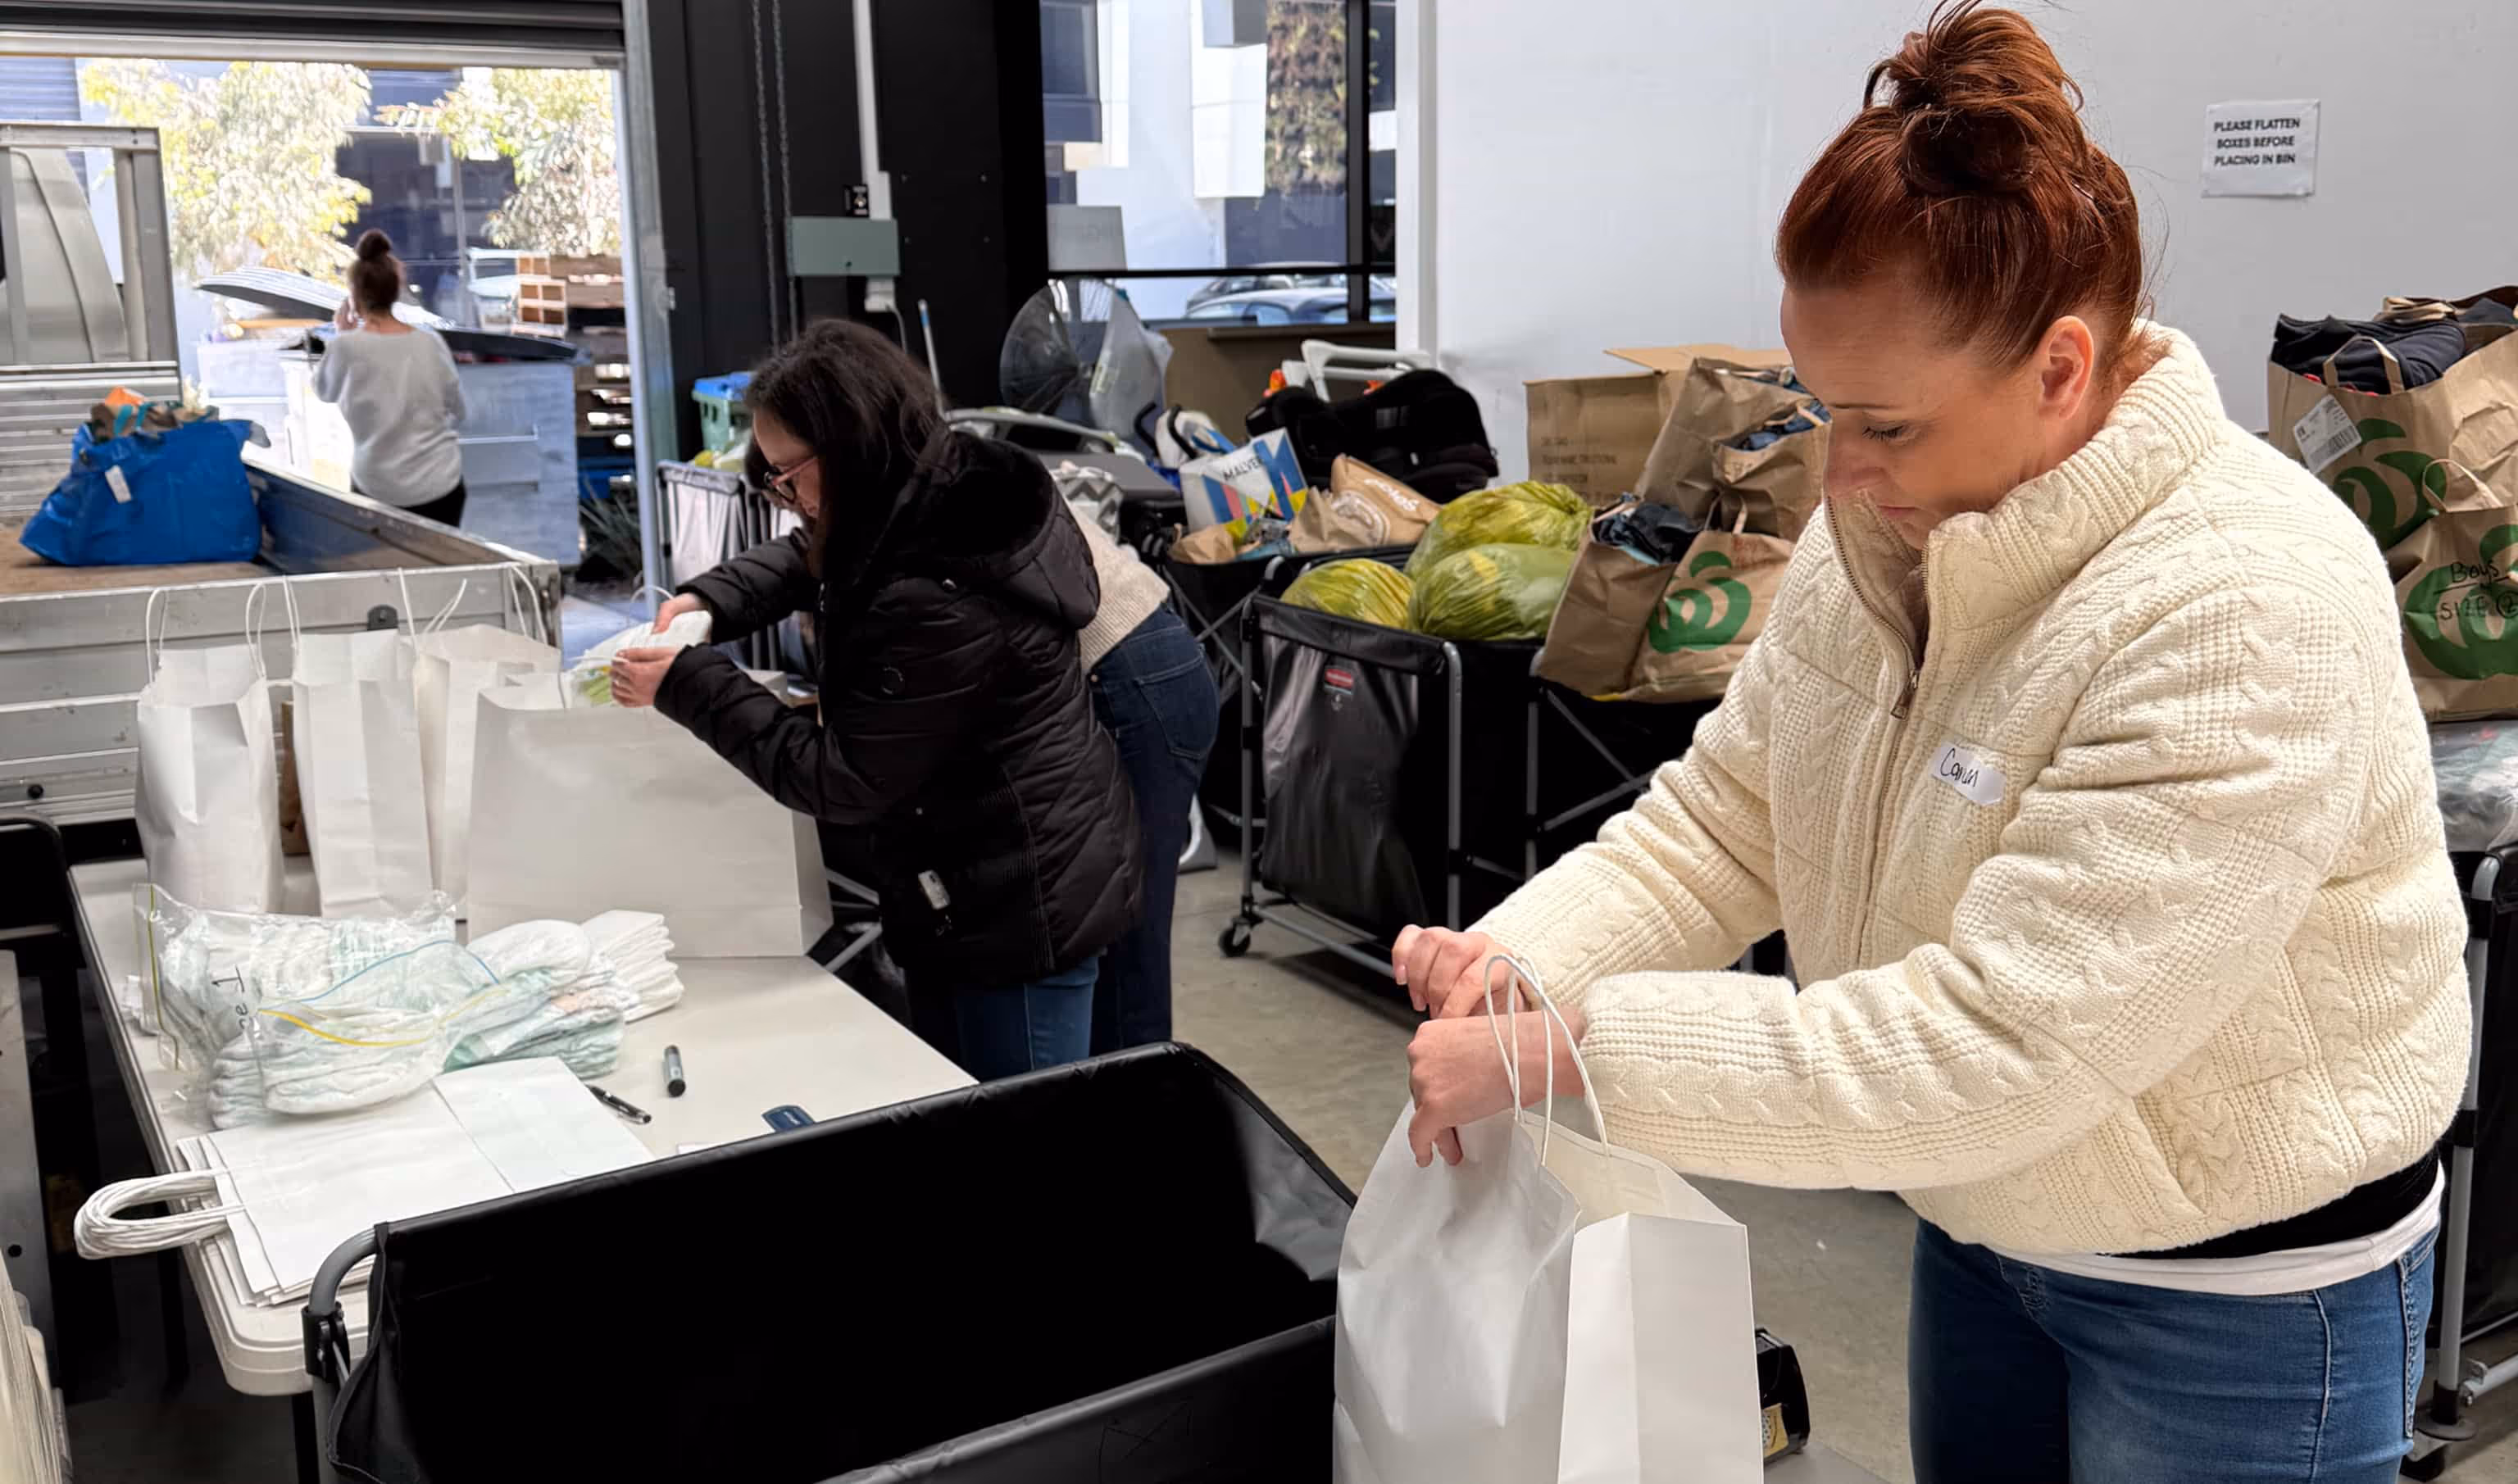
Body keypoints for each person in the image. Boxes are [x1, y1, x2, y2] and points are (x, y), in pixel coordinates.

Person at [1389, 7, 2468, 1482]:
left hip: (2235, 1288)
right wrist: (1523, 958)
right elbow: (1733, 816)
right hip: (1986, 1221)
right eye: (1823, 411)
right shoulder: (1883, 535)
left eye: (1884, 424)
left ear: (2061, 371)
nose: (1841, 474)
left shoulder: (2240, 607)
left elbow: (2003, 1042)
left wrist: (1569, 1054)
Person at [607, 320, 1142, 1080]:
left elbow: (842, 776)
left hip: (1019, 906)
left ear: (854, 447)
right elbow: (814, 553)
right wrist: (711, 599)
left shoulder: (936, 595)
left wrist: (689, 681)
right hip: (971, 879)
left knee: (1022, 1146)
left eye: (789, 475)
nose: (784, 497)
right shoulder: (928, 483)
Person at [1062, 497, 1219, 1054]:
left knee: (1127, 942)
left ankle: (1139, 1127)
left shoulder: (923, 490)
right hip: (1144, 662)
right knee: (1122, 932)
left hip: (1131, 678)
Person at [312, 230, 468, 526]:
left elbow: (324, 391)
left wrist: (341, 334)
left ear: (355, 295)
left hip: (376, 486)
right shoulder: (430, 342)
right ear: (396, 290)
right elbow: (460, 412)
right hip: (439, 485)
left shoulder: (345, 347)